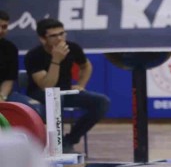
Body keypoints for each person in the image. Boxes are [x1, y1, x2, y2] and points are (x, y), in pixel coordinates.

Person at [24, 18, 110, 153]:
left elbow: (86, 66)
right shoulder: (34, 56)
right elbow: (47, 86)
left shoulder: (72, 47)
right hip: (40, 94)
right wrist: (56, 60)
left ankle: (68, 140)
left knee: (101, 101)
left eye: (62, 33)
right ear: (42, 39)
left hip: (65, 92)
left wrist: (81, 84)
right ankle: (56, 144)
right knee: (57, 98)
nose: (59, 38)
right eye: (53, 36)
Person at [0, 10, 44, 117]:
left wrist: (2, 97)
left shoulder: (10, 48)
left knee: (36, 108)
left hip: (4, 94)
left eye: (4, 27)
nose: (1, 30)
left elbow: (9, 79)